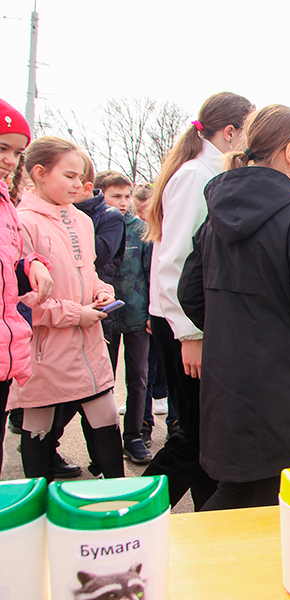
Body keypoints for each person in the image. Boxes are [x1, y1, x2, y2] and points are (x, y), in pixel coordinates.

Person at [178, 105, 290, 510]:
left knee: (241, 494)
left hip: (228, 386)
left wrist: (229, 327)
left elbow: (190, 291)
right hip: (284, 391)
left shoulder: (217, 213)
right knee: (264, 506)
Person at [143, 91, 253, 510]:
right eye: (249, 129)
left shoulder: (209, 171)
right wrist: (190, 334)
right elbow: (174, 263)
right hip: (185, 328)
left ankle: (210, 522)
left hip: (193, 325)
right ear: (230, 133)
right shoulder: (196, 175)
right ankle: (131, 517)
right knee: (194, 436)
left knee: (208, 439)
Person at [11, 136, 124, 480]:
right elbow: (24, 300)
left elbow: (88, 271)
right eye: (70, 176)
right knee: (39, 426)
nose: (79, 185)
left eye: (81, 178)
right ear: (40, 173)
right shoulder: (22, 221)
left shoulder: (82, 220)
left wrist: (103, 291)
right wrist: (77, 314)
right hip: (46, 350)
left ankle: (116, 498)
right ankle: (37, 509)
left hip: (88, 345)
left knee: (106, 418)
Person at [0, 99, 54, 476]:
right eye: (2, 147)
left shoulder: (7, 203)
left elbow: (8, 267)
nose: (9, 160)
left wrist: (29, 265)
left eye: (16, 152)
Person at [98, 171, 153, 464]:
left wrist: (150, 313)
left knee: (139, 378)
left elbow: (150, 272)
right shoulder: (93, 225)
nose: (122, 203)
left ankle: (133, 436)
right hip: (103, 317)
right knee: (101, 382)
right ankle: (102, 441)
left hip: (136, 314)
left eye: (126, 196)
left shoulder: (140, 229)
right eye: (115, 196)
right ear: (100, 194)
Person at [131, 184, 174, 447]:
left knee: (168, 374)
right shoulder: (141, 233)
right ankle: (143, 425)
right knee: (145, 371)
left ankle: (174, 422)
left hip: (162, 312)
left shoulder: (167, 228)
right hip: (149, 312)